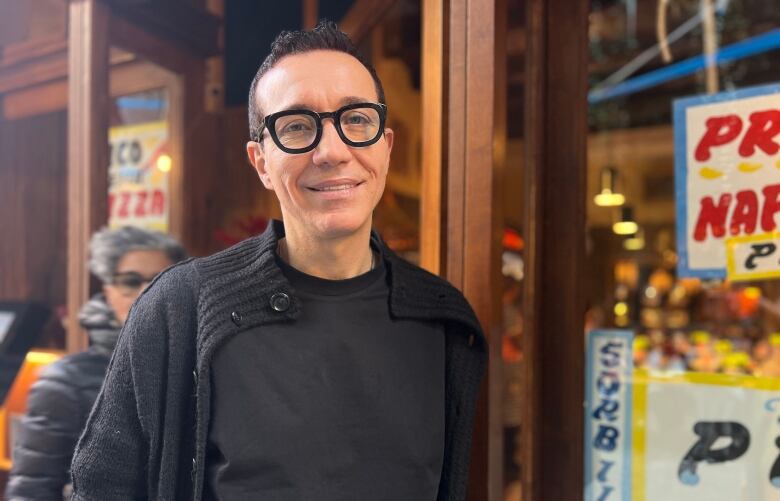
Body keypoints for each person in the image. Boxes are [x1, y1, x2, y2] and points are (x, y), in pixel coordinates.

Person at [71, 21, 486, 501]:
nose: (332, 151)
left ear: (385, 147)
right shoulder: (180, 308)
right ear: (261, 161)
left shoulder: (445, 323)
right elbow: (103, 486)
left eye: (356, 119)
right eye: (296, 127)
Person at [5, 226, 186, 501]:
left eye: (160, 279)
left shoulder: (198, 364)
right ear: (109, 291)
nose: (146, 291)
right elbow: (32, 490)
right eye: (130, 281)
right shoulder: (65, 382)